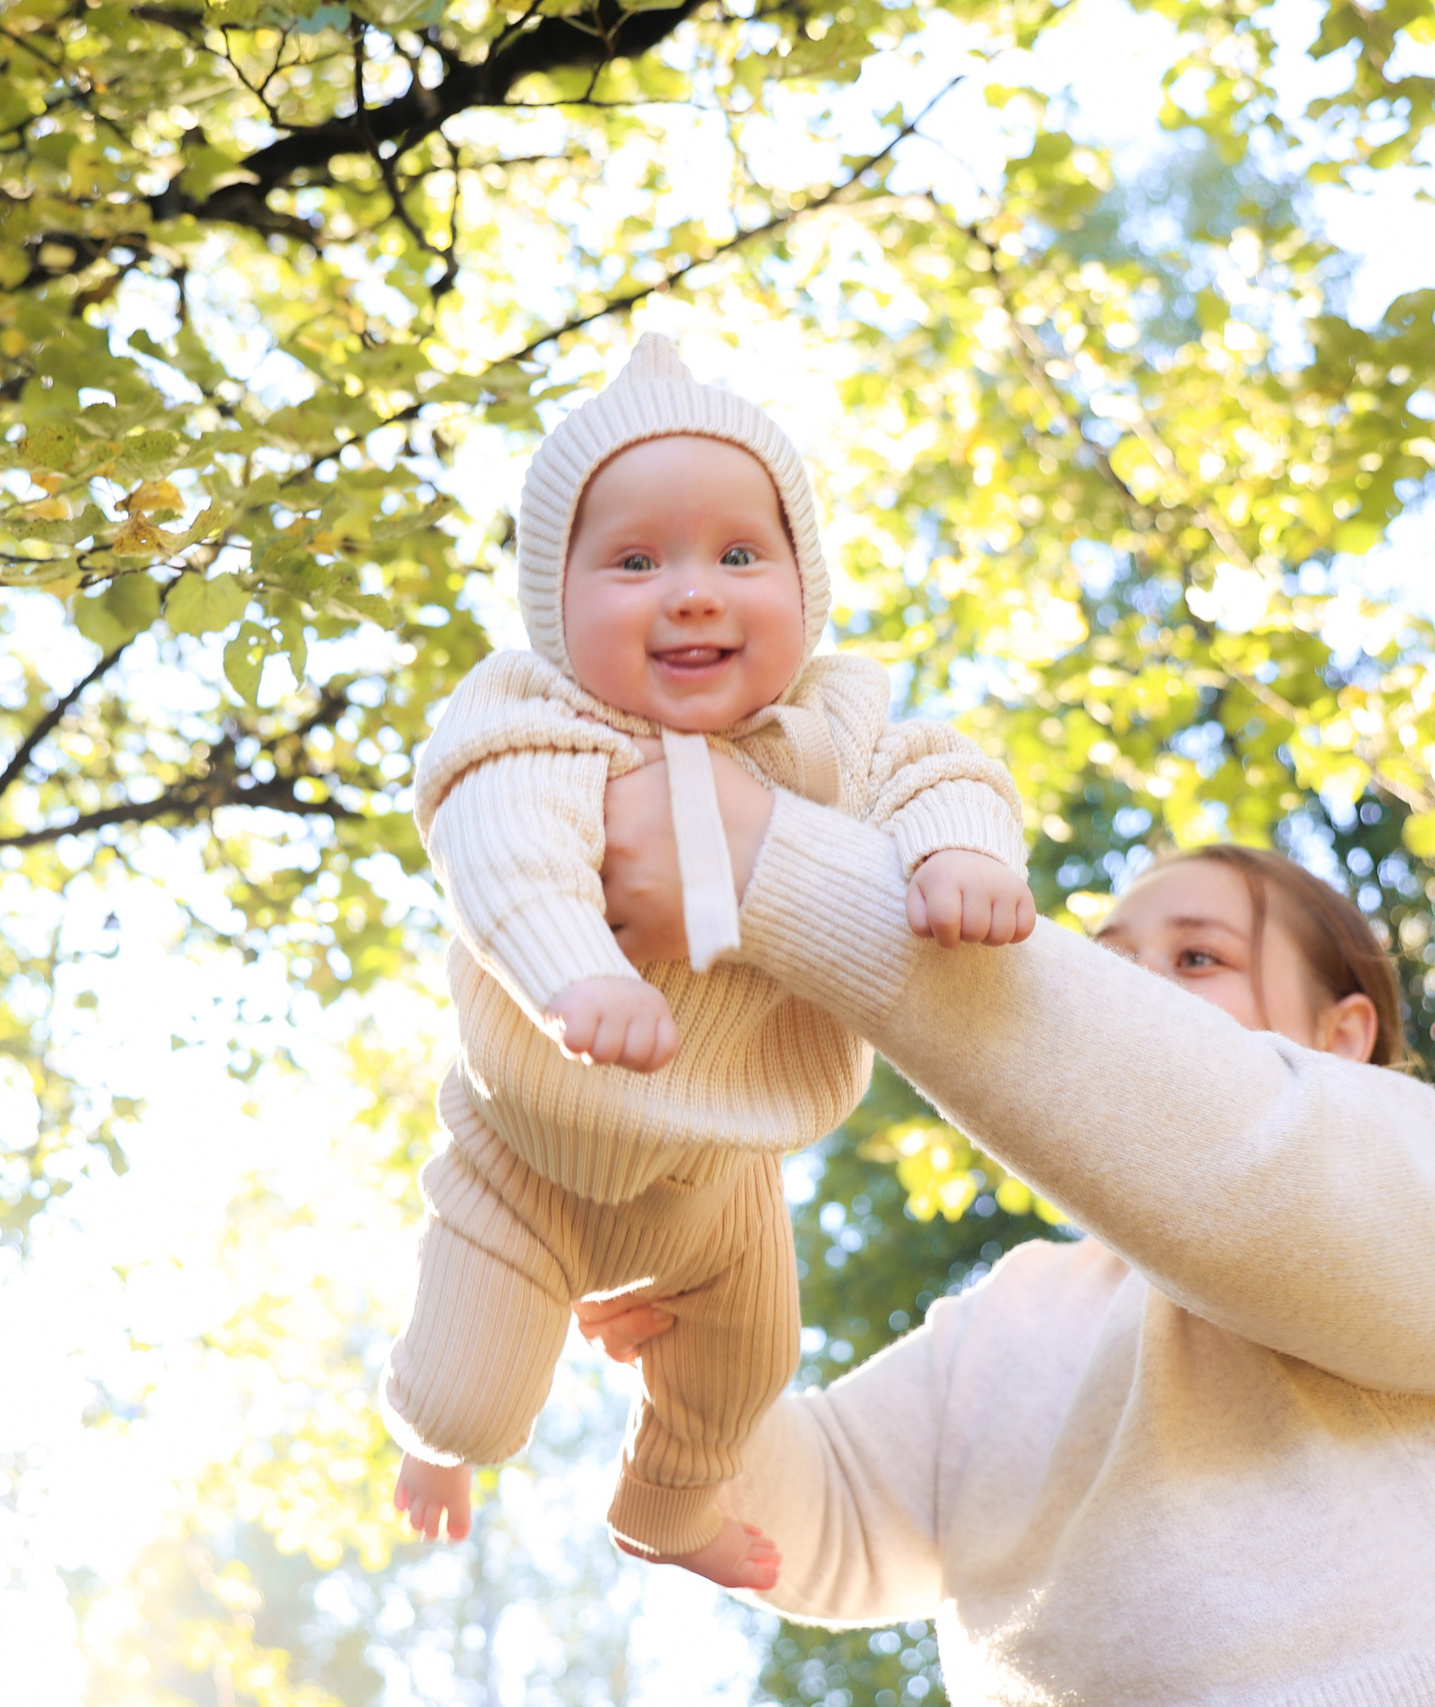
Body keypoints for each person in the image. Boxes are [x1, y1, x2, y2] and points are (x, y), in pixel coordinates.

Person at [582, 771, 1435, 1704]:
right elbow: (818, 1513)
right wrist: (695, 1307)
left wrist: (777, 865)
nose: (1137, 992)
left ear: (1341, 1031)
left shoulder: (1422, 1178)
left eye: (1198, 959)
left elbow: (1227, 1153)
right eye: (1108, 964)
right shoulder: (1011, 1314)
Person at [383, 334, 1036, 1589]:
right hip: (527, 1159)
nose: (692, 592)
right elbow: (503, 849)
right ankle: (432, 1443)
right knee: (470, 1399)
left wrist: (962, 855)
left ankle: (666, 1510)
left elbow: (943, 771)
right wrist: (580, 975)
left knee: (749, 1364)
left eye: (740, 555)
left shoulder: (834, 736)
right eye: (635, 561)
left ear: (806, 584)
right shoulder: (543, 723)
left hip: (722, 1180)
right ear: (555, 608)